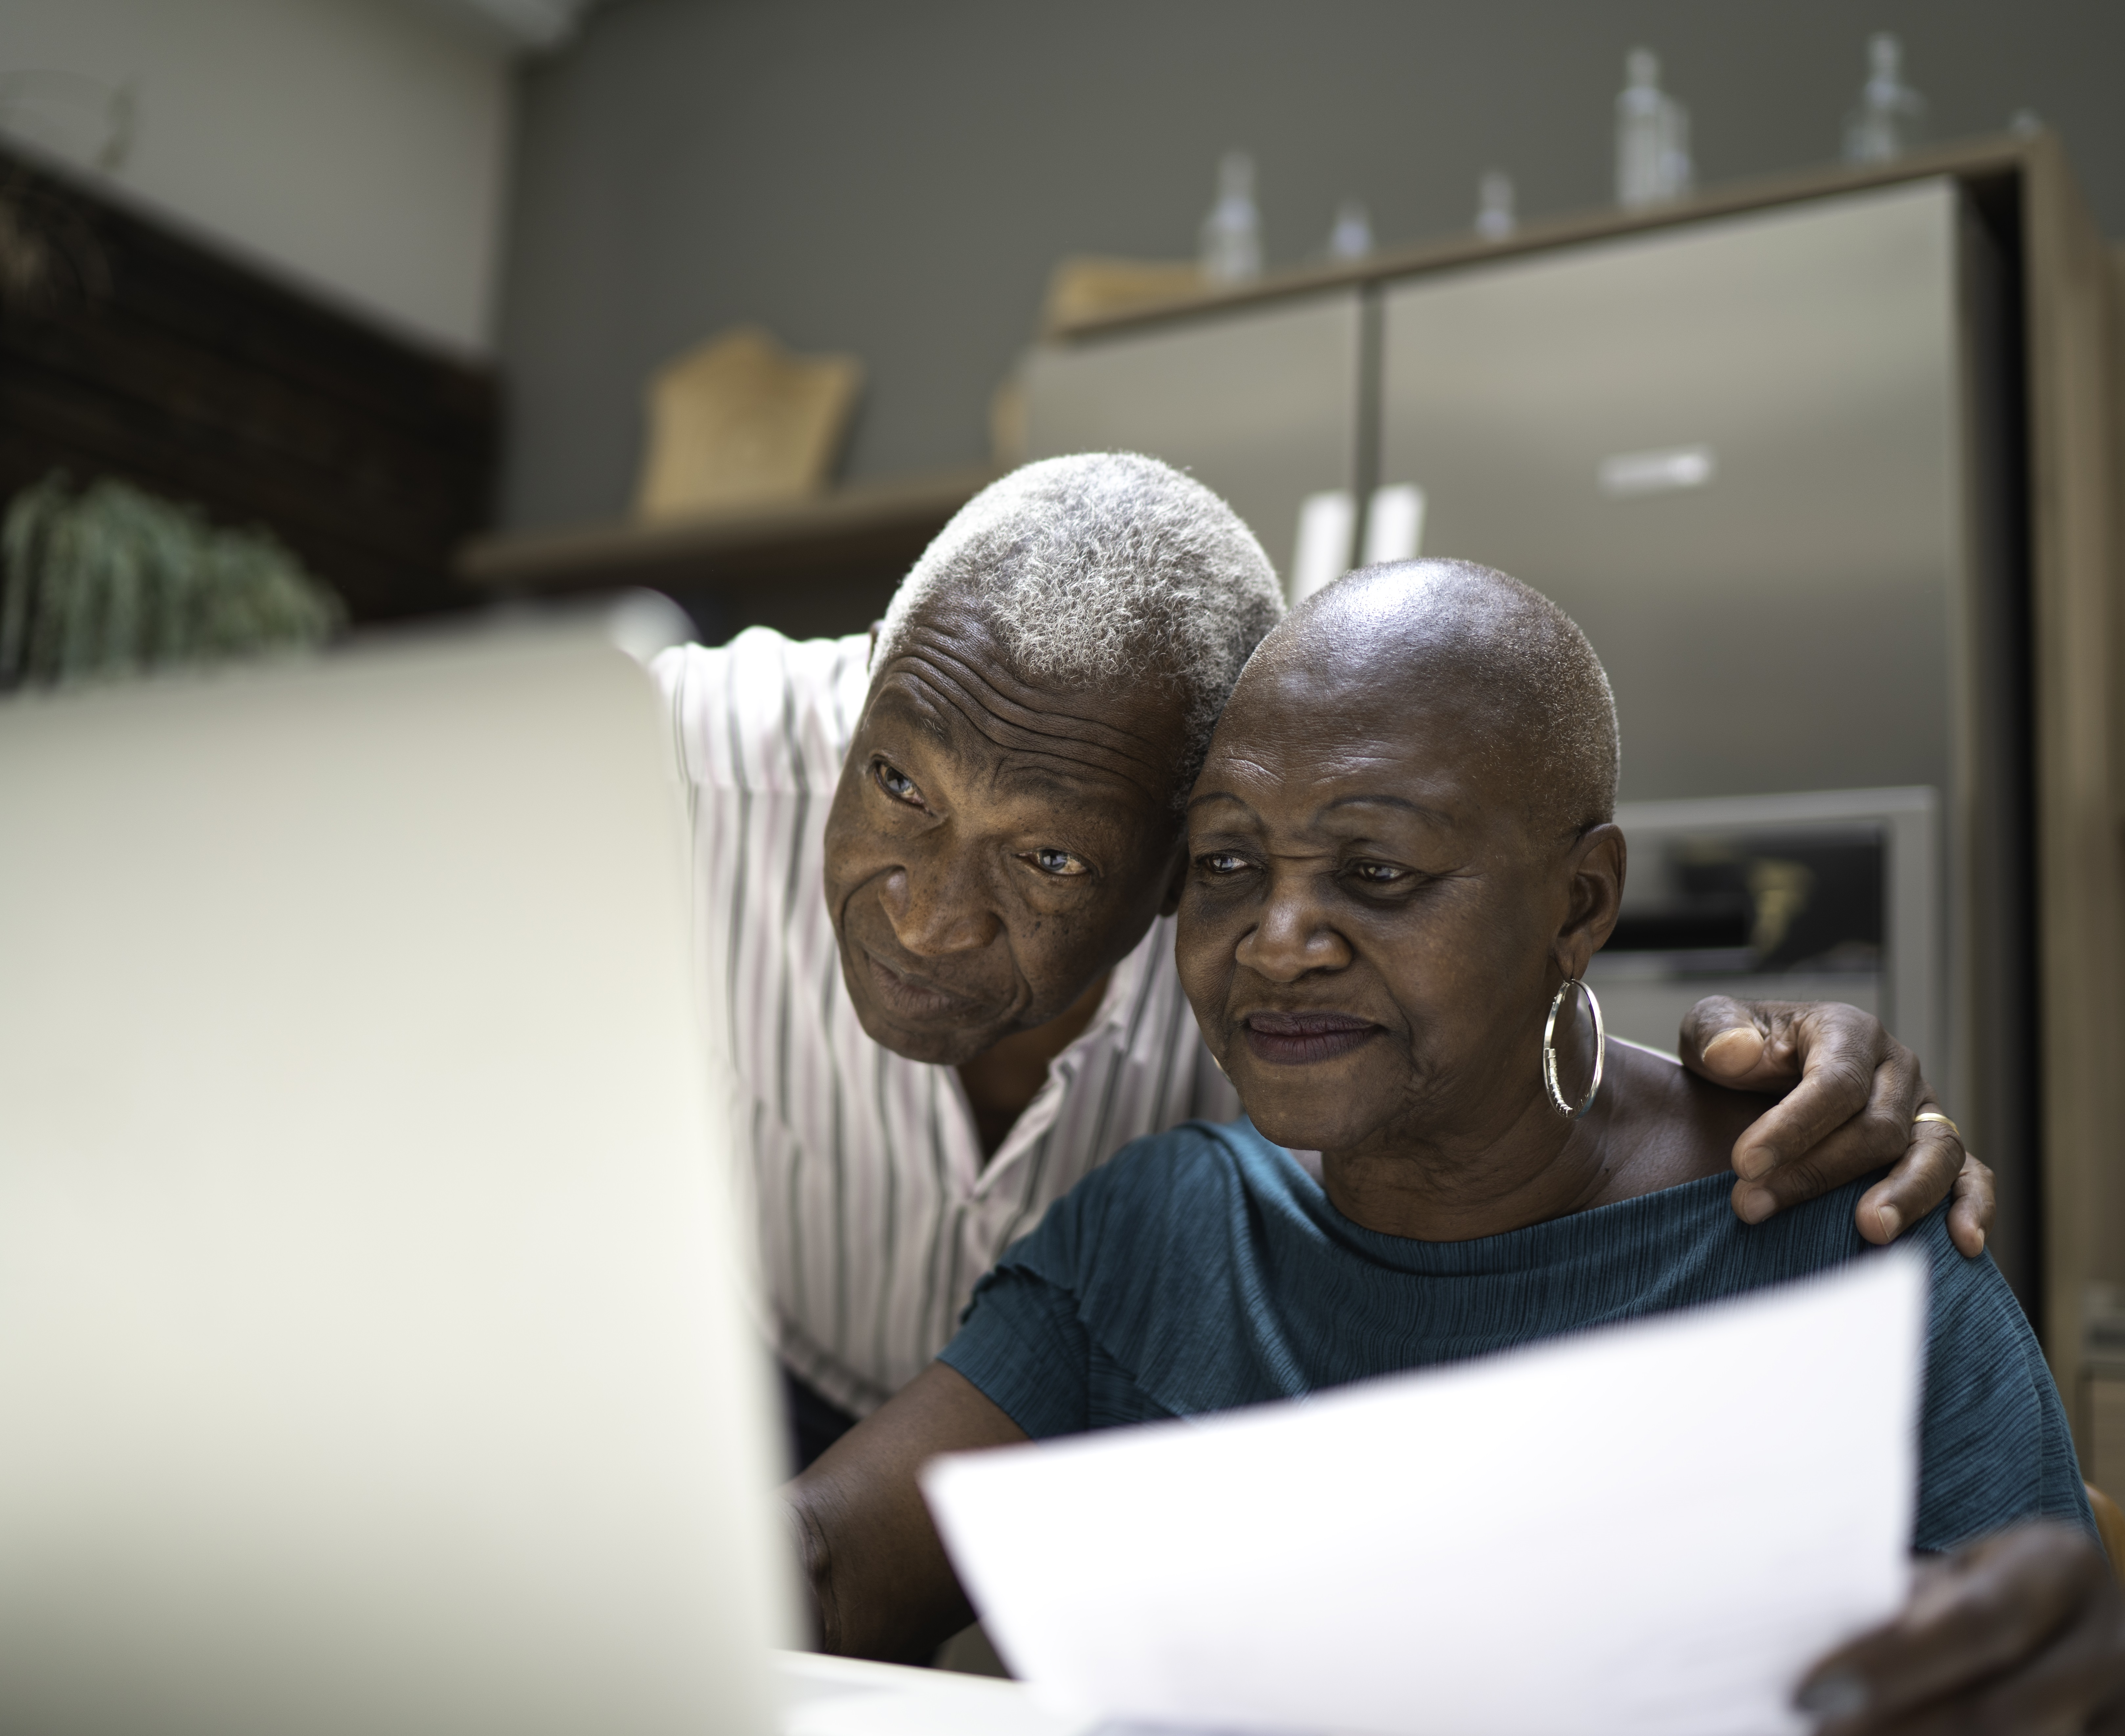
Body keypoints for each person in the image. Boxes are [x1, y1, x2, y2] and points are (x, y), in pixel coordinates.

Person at [786, 560, 2124, 1731]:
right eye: (1229, 863)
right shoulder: (1161, 1233)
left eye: (1377, 873)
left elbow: (2028, 1662)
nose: (1277, 938)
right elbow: (831, 1570)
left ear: (1578, 902)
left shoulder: (1840, 1232)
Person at [655, 454, 1991, 1468]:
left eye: (1051, 859)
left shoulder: (1271, 968)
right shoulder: (681, 759)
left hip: (1098, 1448)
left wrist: (1823, 1088)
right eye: (898, 783)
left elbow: (1506, 1047)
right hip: (733, 1365)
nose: (934, 919)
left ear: (1183, 848)